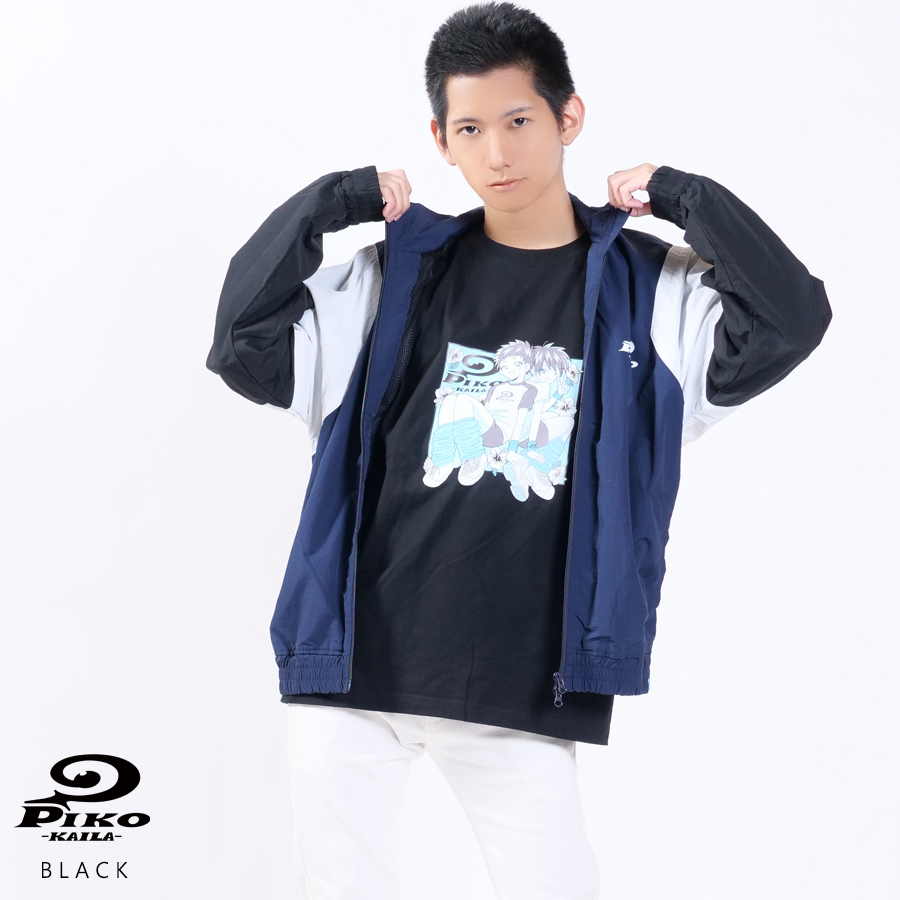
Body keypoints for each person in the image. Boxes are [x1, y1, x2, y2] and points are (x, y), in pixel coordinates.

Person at [206, 2, 832, 897]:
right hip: (350, 664)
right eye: (470, 129)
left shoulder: (652, 294)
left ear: (567, 117)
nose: (497, 152)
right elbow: (241, 344)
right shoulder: (393, 276)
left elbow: (791, 319)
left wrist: (683, 196)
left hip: (522, 682)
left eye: (519, 120)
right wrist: (333, 202)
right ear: (441, 140)